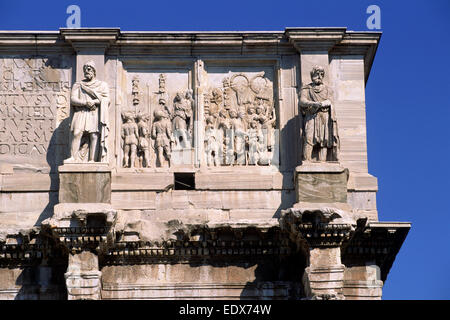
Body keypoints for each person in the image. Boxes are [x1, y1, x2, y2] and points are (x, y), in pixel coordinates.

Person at [66, 60, 110, 163]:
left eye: (89, 69)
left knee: (94, 135)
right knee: (76, 133)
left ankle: (92, 160)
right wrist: (86, 103)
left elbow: (107, 98)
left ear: (94, 70)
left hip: (94, 113)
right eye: (85, 69)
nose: (87, 71)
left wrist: (93, 102)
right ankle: (73, 157)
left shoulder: (102, 85)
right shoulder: (78, 85)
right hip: (81, 112)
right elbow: (73, 99)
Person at [299, 65, 339, 162]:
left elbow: (330, 101)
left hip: (324, 115)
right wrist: (313, 103)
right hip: (311, 116)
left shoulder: (327, 89)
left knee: (324, 140)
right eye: (317, 74)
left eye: (322, 74)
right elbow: (302, 101)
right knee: (309, 138)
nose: (320, 76)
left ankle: (322, 162)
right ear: (312, 75)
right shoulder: (307, 89)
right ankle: (307, 160)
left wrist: (323, 104)